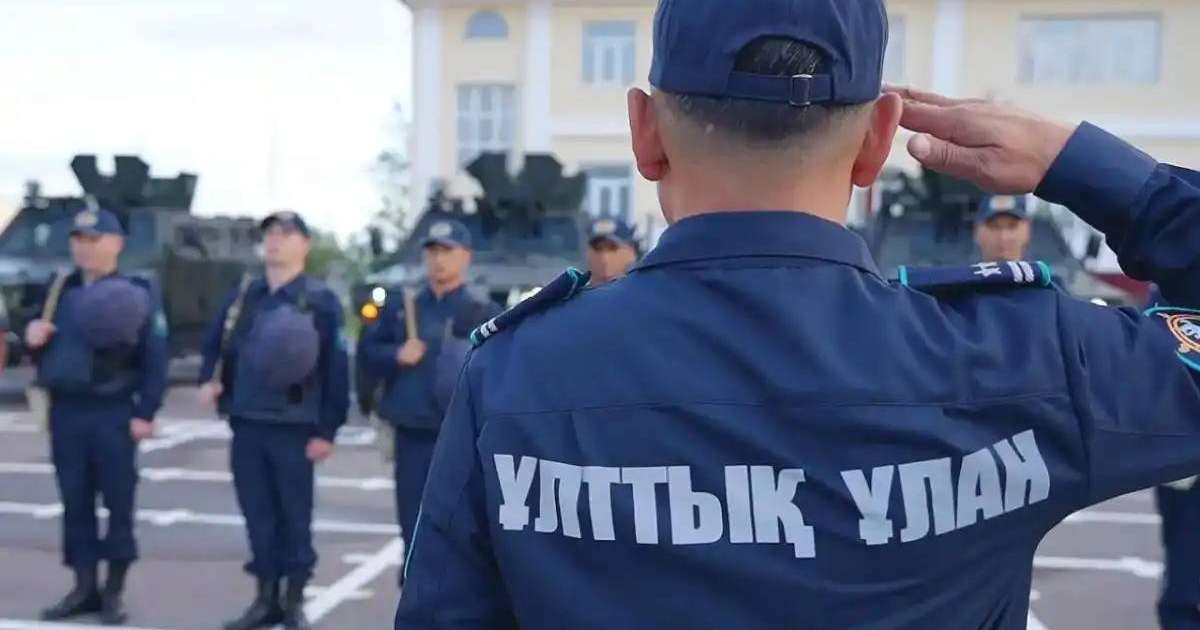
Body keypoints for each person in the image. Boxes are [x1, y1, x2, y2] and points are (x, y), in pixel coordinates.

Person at [394, 0, 1200, 627]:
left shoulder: (516, 374)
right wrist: (1089, 168)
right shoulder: (1023, 357)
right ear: (878, 141)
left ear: (645, 133)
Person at [198, 210, 349, 630]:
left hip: (295, 428)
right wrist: (209, 379)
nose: (275, 241)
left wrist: (327, 430)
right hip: (247, 422)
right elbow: (214, 345)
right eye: (270, 234)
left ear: (305, 245)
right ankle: (265, 599)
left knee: (294, 517)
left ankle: (293, 601)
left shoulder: (320, 301)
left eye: (286, 234)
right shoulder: (244, 297)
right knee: (258, 517)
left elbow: (337, 369)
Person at [29, 208, 168, 625]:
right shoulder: (59, 289)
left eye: (95, 239)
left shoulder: (136, 291)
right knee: (75, 502)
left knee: (119, 503)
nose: (85, 248)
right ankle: (84, 586)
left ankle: (114, 591)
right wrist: (31, 337)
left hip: (113, 411)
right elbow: (38, 345)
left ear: (117, 244)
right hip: (67, 411)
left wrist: (145, 411)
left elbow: (155, 356)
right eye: (79, 239)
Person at [359, 219, 500, 580]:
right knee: (413, 524)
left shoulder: (482, 311)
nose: (438, 259)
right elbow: (366, 353)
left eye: (447, 251)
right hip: (412, 432)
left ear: (465, 256)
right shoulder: (402, 306)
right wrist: (396, 354)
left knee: (460, 527)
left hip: (461, 437)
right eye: (433, 251)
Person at [975, 194, 1032, 262]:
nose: (1003, 237)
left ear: (1027, 230)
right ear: (977, 231)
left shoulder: (1041, 268)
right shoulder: (963, 269)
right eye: (994, 226)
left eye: (1012, 226)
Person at [585, 217, 640, 285]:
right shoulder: (576, 290)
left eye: (613, 248)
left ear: (631, 251)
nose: (604, 258)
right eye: (597, 249)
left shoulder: (645, 289)